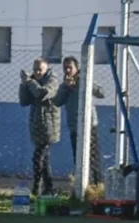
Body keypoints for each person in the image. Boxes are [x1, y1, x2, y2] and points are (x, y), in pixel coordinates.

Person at [53, 56, 103, 186]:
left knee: (94, 158)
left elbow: (101, 93)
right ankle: (83, 186)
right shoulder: (65, 85)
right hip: (75, 126)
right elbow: (57, 102)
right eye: (65, 67)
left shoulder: (85, 80)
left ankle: (98, 185)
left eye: (70, 67)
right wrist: (66, 87)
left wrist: (84, 82)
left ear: (77, 68)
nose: (68, 70)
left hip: (89, 125)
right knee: (79, 159)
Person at [18, 58, 60, 197]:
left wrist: (30, 82)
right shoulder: (34, 81)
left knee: (38, 158)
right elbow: (24, 101)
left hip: (49, 128)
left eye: (40, 69)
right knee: (44, 160)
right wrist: (24, 85)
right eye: (35, 69)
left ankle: (37, 187)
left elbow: (42, 94)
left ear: (46, 69)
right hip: (37, 127)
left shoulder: (52, 81)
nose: (37, 72)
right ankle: (49, 188)